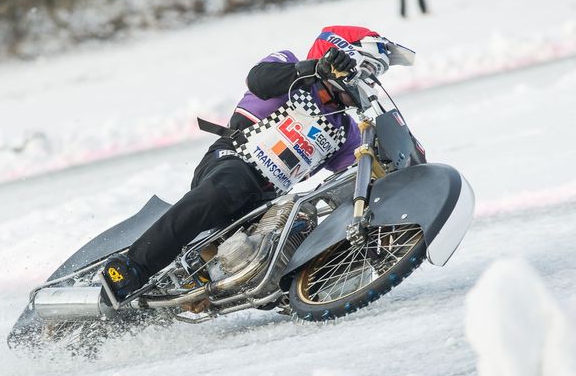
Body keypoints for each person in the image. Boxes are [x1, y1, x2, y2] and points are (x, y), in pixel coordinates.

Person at [101, 25, 403, 303]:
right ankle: (132, 267)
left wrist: (395, 168)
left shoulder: (346, 129)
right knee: (232, 184)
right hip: (231, 161)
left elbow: (357, 173)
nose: (368, 82)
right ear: (340, 55)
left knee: (299, 223)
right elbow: (259, 79)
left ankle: (292, 288)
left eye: (374, 76)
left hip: (265, 199)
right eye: (367, 70)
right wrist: (314, 69)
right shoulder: (292, 70)